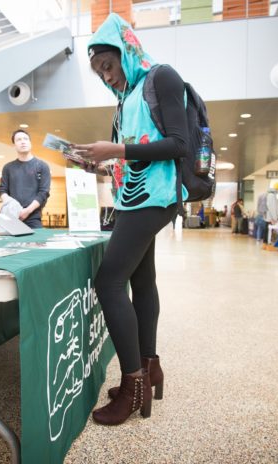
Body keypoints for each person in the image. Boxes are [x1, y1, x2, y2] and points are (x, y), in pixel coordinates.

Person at [70, 13, 189, 426]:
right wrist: (96, 165)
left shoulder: (162, 78)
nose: (107, 77)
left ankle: (133, 384)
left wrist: (116, 151)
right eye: (99, 72)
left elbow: (178, 144)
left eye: (109, 65)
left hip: (154, 200)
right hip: (133, 199)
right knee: (141, 280)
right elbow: (131, 159)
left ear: (127, 52)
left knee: (108, 281)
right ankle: (150, 367)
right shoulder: (126, 100)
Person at [0, 129, 51, 229]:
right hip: (12, 218)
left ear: (30, 143)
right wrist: (13, 207)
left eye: (25, 139)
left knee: (36, 244)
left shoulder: (42, 166)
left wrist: (26, 211)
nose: (23, 141)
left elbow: (44, 193)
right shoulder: (8, 168)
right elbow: (2, 190)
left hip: (33, 218)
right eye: (18, 139)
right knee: (10, 245)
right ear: (14, 145)